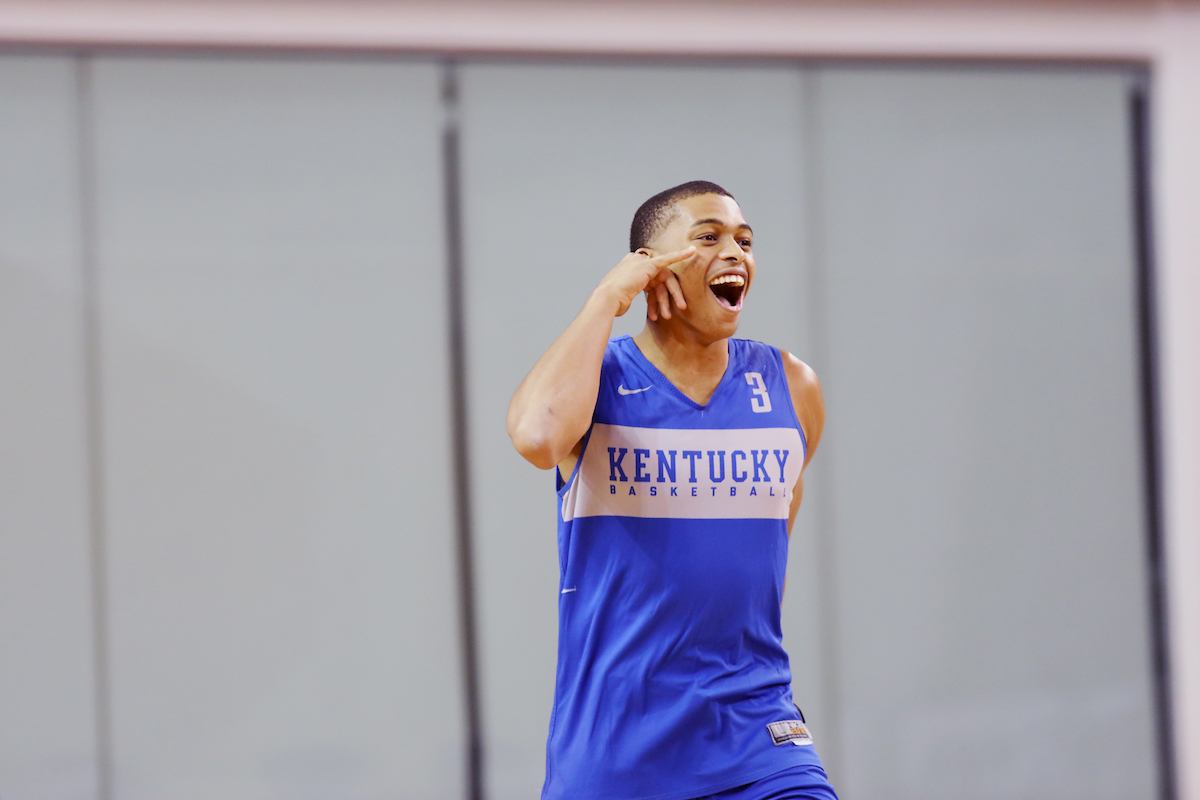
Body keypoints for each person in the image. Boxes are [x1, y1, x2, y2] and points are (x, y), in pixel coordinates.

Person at [507, 181, 835, 800]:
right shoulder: (598, 381)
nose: (734, 252)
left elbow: (766, 555)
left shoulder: (792, 386)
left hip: (757, 734)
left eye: (744, 240)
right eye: (707, 238)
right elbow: (536, 436)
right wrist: (607, 298)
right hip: (617, 749)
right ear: (651, 266)